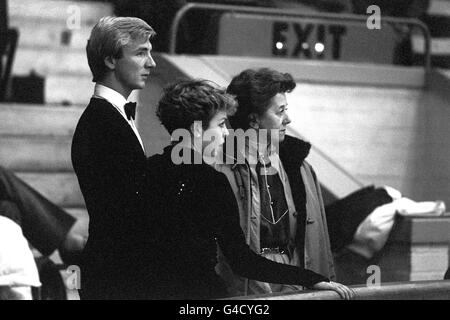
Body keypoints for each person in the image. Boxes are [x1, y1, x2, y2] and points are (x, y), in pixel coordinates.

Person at [145, 79, 354, 299]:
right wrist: (310, 278)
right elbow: (243, 261)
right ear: (197, 128)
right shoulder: (212, 181)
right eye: (221, 124)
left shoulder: (148, 169)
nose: (227, 133)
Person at [213, 68, 335, 296]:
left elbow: (320, 244)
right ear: (254, 119)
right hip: (243, 285)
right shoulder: (219, 169)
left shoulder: (300, 168)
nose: (288, 119)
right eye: (280, 111)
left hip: (296, 279)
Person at [71, 16, 156, 299]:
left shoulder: (110, 117)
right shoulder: (101, 124)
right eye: (141, 53)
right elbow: (125, 215)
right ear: (110, 60)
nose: (151, 63)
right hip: (115, 276)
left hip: (118, 270)